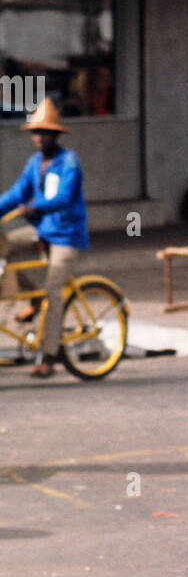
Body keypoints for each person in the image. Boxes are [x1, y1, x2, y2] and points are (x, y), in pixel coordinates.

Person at [0, 97, 89, 379]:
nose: (38, 137)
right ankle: (31, 298)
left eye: (44, 132)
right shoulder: (34, 163)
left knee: (54, 294)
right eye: (35, 132)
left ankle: (49, 356)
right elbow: (16, 195)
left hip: (66, 236)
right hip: (42, 230)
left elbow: (63, 197)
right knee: (5, 244)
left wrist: (35, 207)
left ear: (55, 134)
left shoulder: (68, 162)